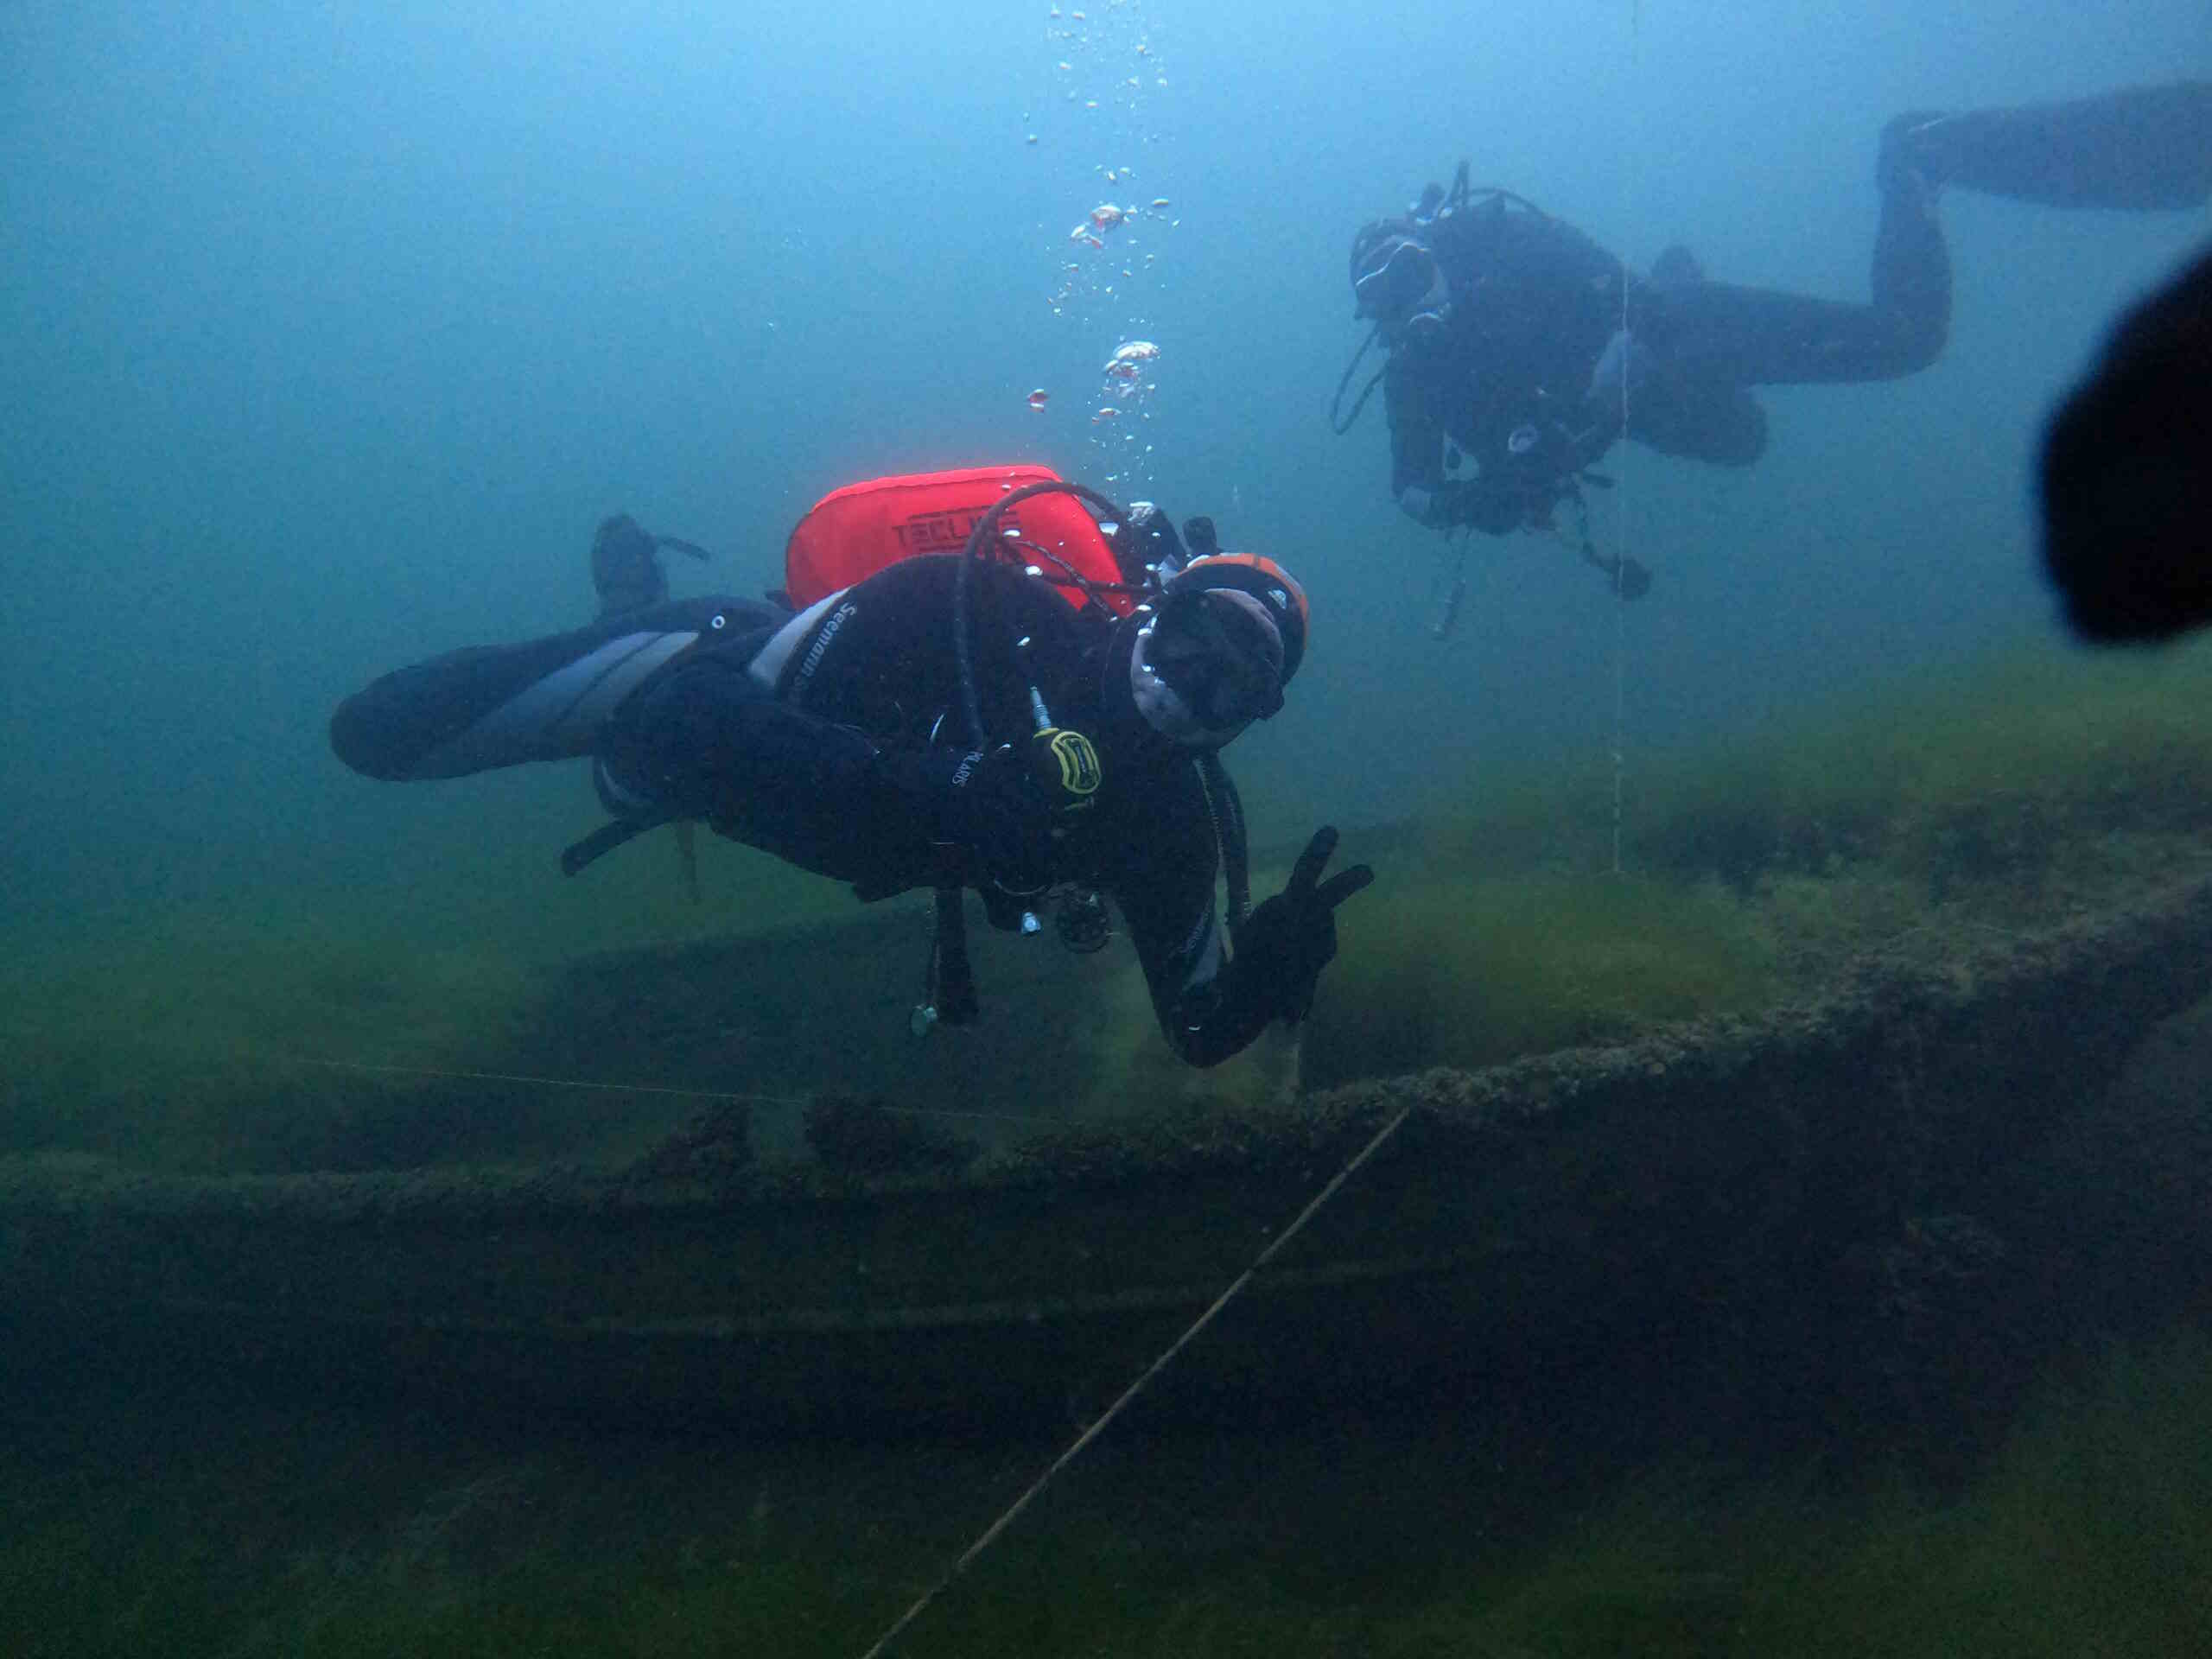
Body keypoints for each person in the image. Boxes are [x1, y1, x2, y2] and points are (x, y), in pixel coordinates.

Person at [329, 470, 1374, 1068]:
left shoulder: (1172, 824)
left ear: (1255, 717)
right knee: (384, 733)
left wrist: (1272, 970)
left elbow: (1199, 1030)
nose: (1194, 682)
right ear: (1157, 607)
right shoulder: (967, 605)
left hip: (784, 796)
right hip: (717, 674)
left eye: (1236, 683)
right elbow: (696, 716)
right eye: (1196, 636)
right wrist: (950, 795)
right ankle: (630, 601)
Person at [1337, 81, 2212, 597]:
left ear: (1437, 253)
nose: (1408, 301)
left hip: (1674, 337)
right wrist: (1475, 503)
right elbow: (1409, 487)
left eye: (1411, 272)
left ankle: (1917, 155)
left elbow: (1602, 271)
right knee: (1746, 442)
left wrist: (1630, 336)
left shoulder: (1496, 243)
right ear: (1370, 318)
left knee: (1905, 339)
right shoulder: (1417, 378)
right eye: (1383, 298)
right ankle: (1691, 290)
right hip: (1628, 413)